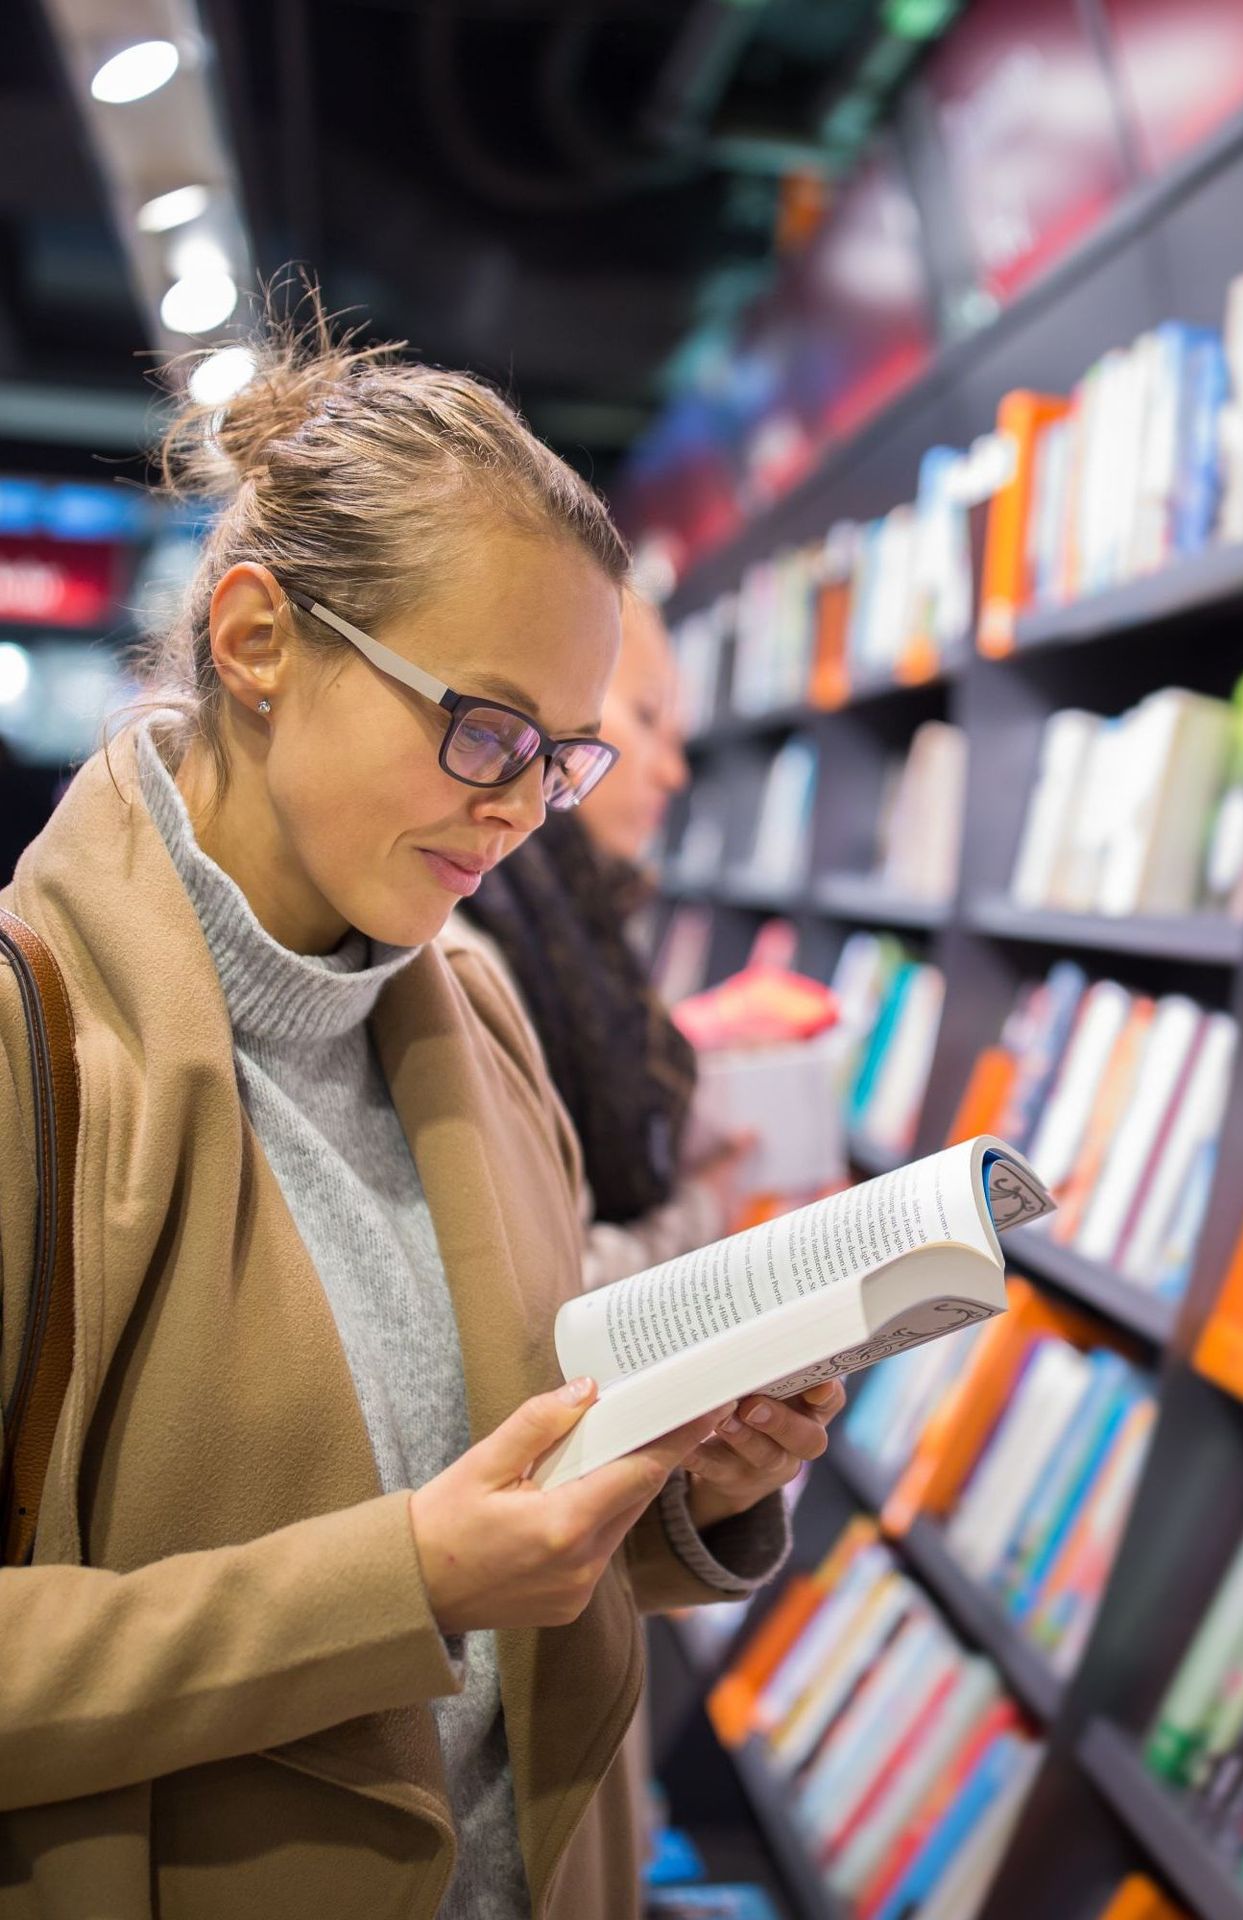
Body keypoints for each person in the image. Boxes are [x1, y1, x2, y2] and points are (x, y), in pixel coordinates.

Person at [0, 306, 840, 1920]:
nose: (523, 811)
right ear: (254, 642)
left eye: (563, 762)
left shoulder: (476, 1012)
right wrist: (407, 1582)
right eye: (485, 731)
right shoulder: (35, 1048)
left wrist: (700, 1485)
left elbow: (520, 1512)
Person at [458, 588, 755, 1288]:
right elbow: (546, 1282)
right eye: (648, 717)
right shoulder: (471, 931)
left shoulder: (575, 918)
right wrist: (706, 1209)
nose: (674, 771)